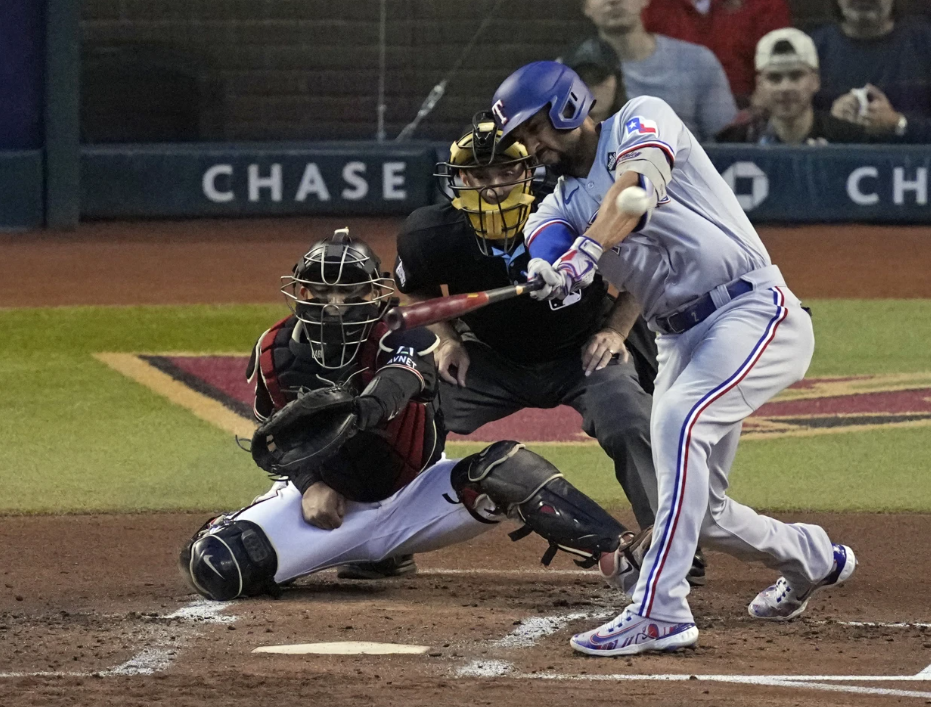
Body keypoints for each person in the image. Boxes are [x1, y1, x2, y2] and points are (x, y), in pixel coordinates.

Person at [490, 62, 856, 656]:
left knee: (678, 422)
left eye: (534, 129)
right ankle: (811, 557)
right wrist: (549, 269)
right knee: (700, 511)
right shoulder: (552, 206)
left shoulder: (642, 117)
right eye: (520, 138)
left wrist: (583, 255)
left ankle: (660, 608)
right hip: (679, 339)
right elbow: (549, 239)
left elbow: (633, 193)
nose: (530, 147)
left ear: (566, 107)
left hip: (752, 311)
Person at [179, 228, 635, 600]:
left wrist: (358, 410)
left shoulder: (402, 333)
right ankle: (364, 553)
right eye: (321, 291)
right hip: (331, 506)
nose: (335, 305)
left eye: (350, 292)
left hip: (415, 492)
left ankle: (626, 552)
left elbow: (397, 385)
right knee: (217, 566)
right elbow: (275, 438)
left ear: (374, 294)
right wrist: (310, 483)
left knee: (507, 467)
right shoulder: (273, 351)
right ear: (300, 291)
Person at [395, 116, 662, 539]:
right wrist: (447, 341)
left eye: (507, 171)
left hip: (583, 352)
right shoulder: (430, 232)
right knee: (408, 409)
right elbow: (419, 290)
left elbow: (648, 268)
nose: (494, 186)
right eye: (480, 175)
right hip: (488, 357)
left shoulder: (572, 206)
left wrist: (615, 331)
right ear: (459, 177)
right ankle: (388, 539)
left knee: (628, 418)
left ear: (527, 170)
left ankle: (670, 543)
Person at [810, 0, 931, 143]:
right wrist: (831, 124)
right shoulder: (813, 50)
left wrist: (899, 124)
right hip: (831, 171)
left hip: (916, 171)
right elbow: (790, 130)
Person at [582, 0, 737, 142]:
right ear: (585, 7)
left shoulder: (698, 62)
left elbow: (728, 142)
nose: (614, 1)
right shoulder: (570, 73)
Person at [716, 27, 868, 144]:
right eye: (774, 78)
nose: (785, 87)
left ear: (815, 81)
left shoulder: (849, 140)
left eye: (796, 76)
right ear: (759, 85)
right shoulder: (735, 142)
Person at [641, 0, 792, 105]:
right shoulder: (649, 5)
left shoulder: (765, 5)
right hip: (672, 110)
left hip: (745, 116)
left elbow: (778, 66)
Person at [562, 38, 629, 124]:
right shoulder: (549, 132)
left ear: (617, 82)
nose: (591, 88)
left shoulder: (634, 132)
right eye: (582, 79)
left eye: (599, 78)